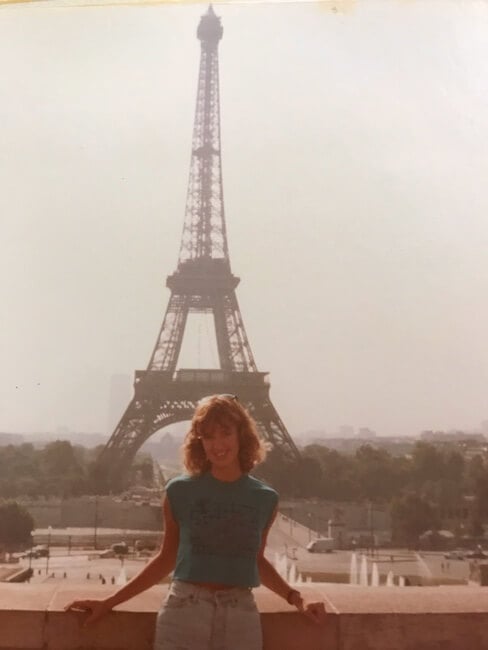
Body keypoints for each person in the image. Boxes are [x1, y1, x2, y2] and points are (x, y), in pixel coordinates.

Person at [65, 394, 326, 649]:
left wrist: (297, 599)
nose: (217, 443)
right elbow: (166, 558)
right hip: (184, 613)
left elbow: (256, 561)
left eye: (225, 433)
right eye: (208, 436)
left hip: (240, 617)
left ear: (241, 436)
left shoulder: (265, 499)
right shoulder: (179, 491)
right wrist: (108, 602)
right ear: (199, 441)